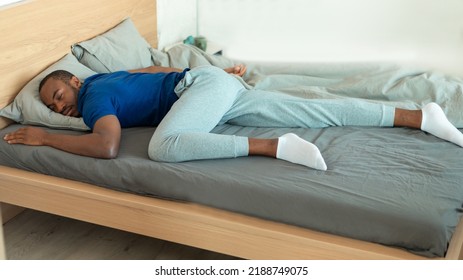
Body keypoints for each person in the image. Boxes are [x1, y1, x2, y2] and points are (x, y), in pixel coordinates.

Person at [4, 64, 463, 171]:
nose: (62, 108)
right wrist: (214, 74)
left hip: (203, 88)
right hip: (206, 85)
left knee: (164, 148)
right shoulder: (106, 78)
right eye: (53, 107)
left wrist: (43, 136)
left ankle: (274, 146)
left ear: (77, 83)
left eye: (60, 95)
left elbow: (106, 145)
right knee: (311, 107)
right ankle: (419, 116)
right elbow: (153, 70)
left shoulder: (92, 100)